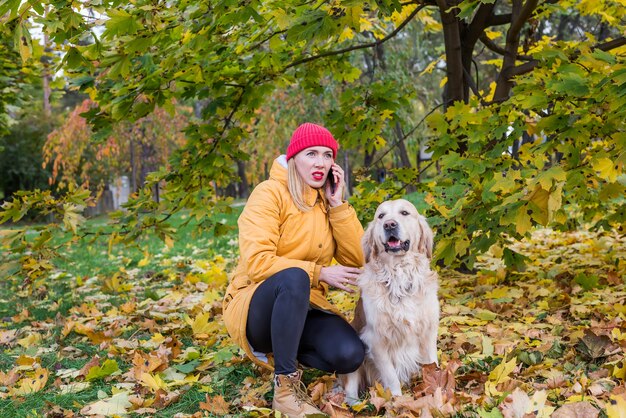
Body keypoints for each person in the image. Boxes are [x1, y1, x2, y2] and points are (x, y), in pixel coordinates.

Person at [222, 122, 365, 417]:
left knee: (350, 354)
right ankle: (285, 389)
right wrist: (319, 273)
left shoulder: (326, 202)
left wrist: (338, 205)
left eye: (327, 155)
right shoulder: (269, 194)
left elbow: (356, 259)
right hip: (255, 306)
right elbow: (258, 261)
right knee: (295, 277)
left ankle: (288, 348)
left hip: (306, 305)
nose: (320, 162)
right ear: (293, 159)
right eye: (311, 153)